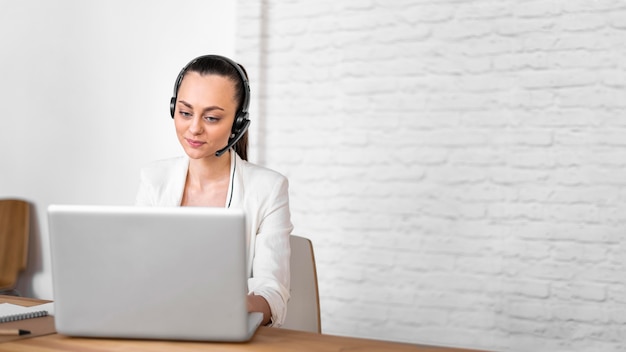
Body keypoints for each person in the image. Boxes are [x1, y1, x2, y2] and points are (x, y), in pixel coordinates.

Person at [135, 54, 292, 327]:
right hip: (159, 327)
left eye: (211, 117)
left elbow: (273, 294)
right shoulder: (154, 179)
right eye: (185, 113)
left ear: (238, 124)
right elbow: (136, 269)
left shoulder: (268, 189)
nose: (194, 128)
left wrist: (230, 305)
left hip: (226, 333)